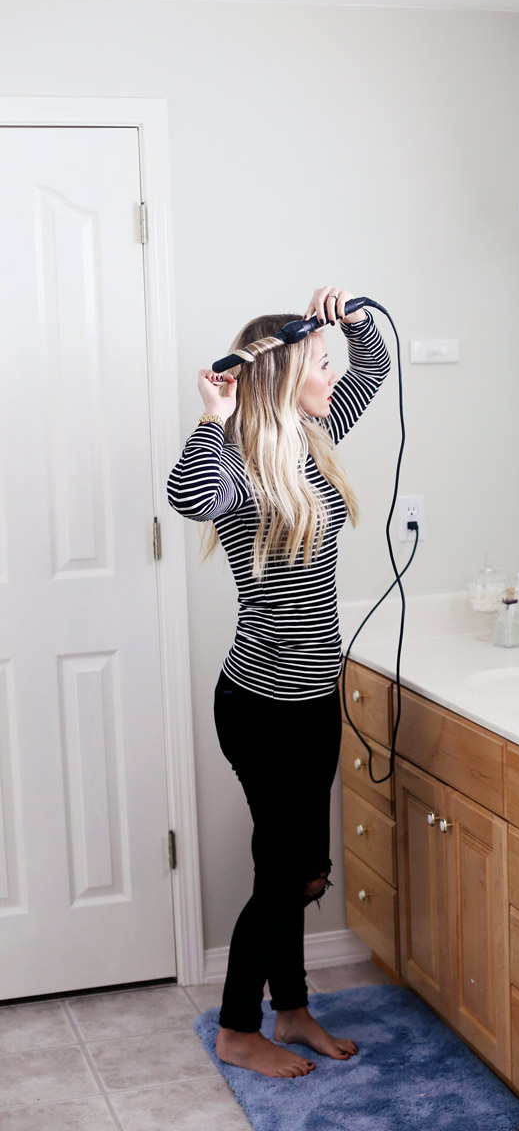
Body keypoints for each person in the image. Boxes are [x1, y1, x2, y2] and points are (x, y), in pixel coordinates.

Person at [167, 285, 391, 1077]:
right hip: (261, 705)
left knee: (301, 870)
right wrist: (213, 415)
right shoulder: (235, 463)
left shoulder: (311, 433)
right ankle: (238, 1028)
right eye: (318, 364)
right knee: (281, 875)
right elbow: (187, 495)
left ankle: (291, 1010)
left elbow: (374, 367)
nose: (331, 376)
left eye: (328, 363)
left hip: (316, 695)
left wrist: (353, 322)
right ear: (283, 377)